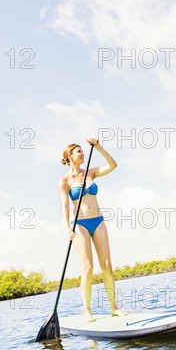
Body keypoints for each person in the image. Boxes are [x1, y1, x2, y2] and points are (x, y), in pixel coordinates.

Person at [59, 137, 127, 322]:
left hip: (98, 221)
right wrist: (67, 227)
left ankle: (114, 308)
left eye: (83, 151)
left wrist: (98, 147)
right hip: (79, 225)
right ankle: (87, 310)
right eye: (78, 151)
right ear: (69, 156)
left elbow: (113, 165)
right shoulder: (64, 180)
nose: (83, 154)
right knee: (88, 268)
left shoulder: (91, 172)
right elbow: (65, 207)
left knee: (106, 265)